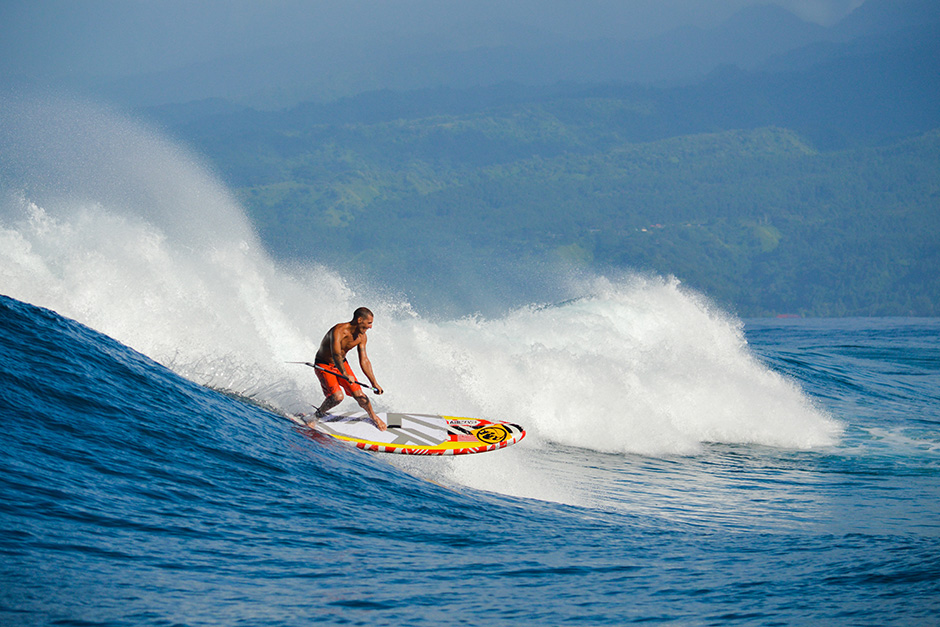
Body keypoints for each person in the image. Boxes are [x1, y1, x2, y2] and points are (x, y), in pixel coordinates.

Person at [313, 307, 386, 430]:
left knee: (360, 395)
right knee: (337, 397)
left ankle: (373, 416)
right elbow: (335, 354)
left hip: (341, 363)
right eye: (369, 323)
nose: (371, 327)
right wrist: (345, 374)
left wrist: (374, 383)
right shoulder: (338, 330)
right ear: (359, 320)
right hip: (324, 364)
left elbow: (364, 360)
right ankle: (317, 415)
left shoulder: (362, 337)